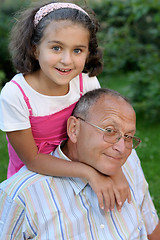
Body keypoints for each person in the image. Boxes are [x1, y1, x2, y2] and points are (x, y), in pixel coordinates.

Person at [0, 1, 131, 210]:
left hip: (79, 158)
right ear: (35, 49)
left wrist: (116, 173)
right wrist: (89, 173)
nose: (66, 60)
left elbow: (100, 133)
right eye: (56, 48)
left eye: (78, 50)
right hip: (36, 176)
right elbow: (32, 160)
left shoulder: (85, 82)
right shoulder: (15, 95)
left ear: (88, 52)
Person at [0, 88, 159, 239]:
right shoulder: (21, 196)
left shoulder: (129, 162)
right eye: (109, 131)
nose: (121, 148)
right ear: (74, 129)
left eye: (128, 137)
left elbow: (149, 224)